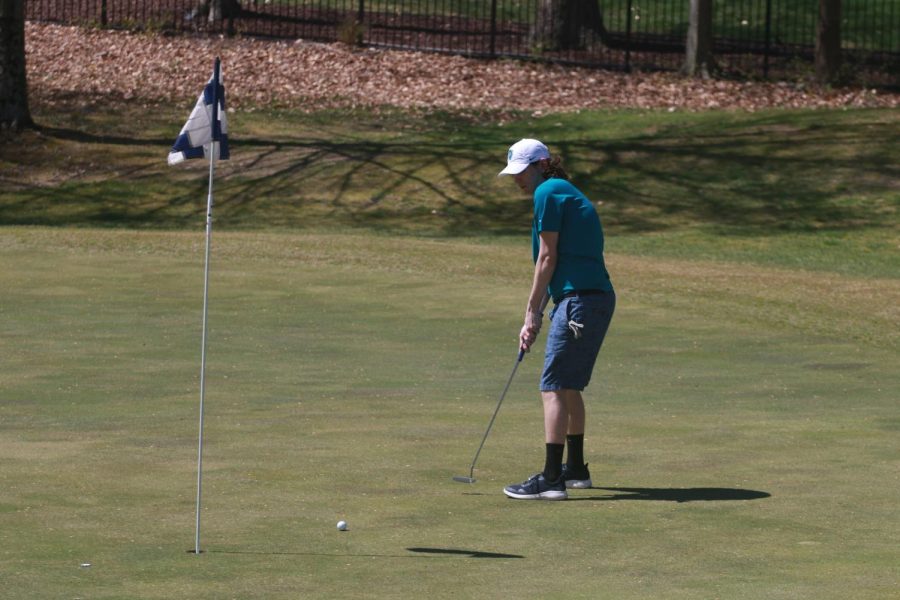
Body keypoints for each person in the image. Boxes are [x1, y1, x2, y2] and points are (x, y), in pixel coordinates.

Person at [498, 139, 615, 500]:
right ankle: (575, 469)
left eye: (523, 170)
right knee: (568, 386)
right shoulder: (563, 190)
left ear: (542, 164)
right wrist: (533, 317)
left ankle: (551, 479)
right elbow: (556, 263)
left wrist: (530, 311)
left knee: (552, 387)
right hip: (593, 298)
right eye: (514, 172)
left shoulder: (547, 192)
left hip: (579, 300)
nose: (518, 179)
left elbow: (546, 259)